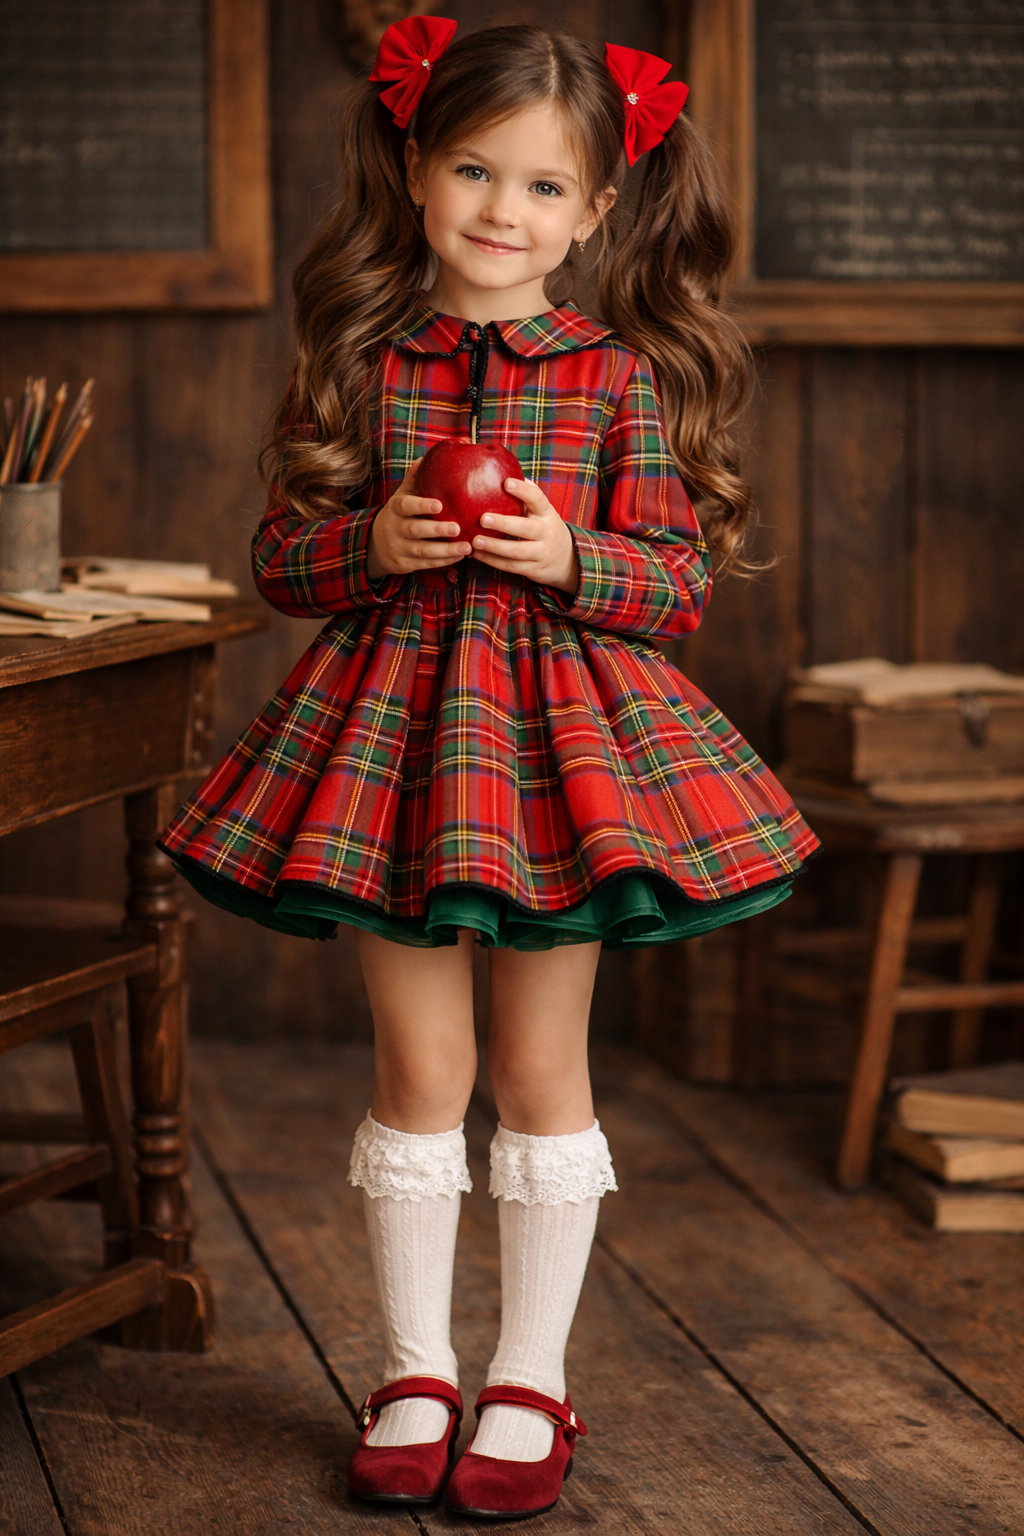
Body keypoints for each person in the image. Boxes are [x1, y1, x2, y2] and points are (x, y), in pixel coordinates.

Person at [160, 19, 819, 1520]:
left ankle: (530, 1378)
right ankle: (412, 1367)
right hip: (392, 751)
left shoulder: (614, 379)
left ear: (595, 213)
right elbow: (283, 559)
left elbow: (672, 587)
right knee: (420, 1071)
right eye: (473, 168)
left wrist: (575, 553)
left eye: (541, 187)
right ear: (415, 164)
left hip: (559, 763)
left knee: (536, 1073)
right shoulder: (356, 358)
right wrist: (369, 543)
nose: (500, 211)